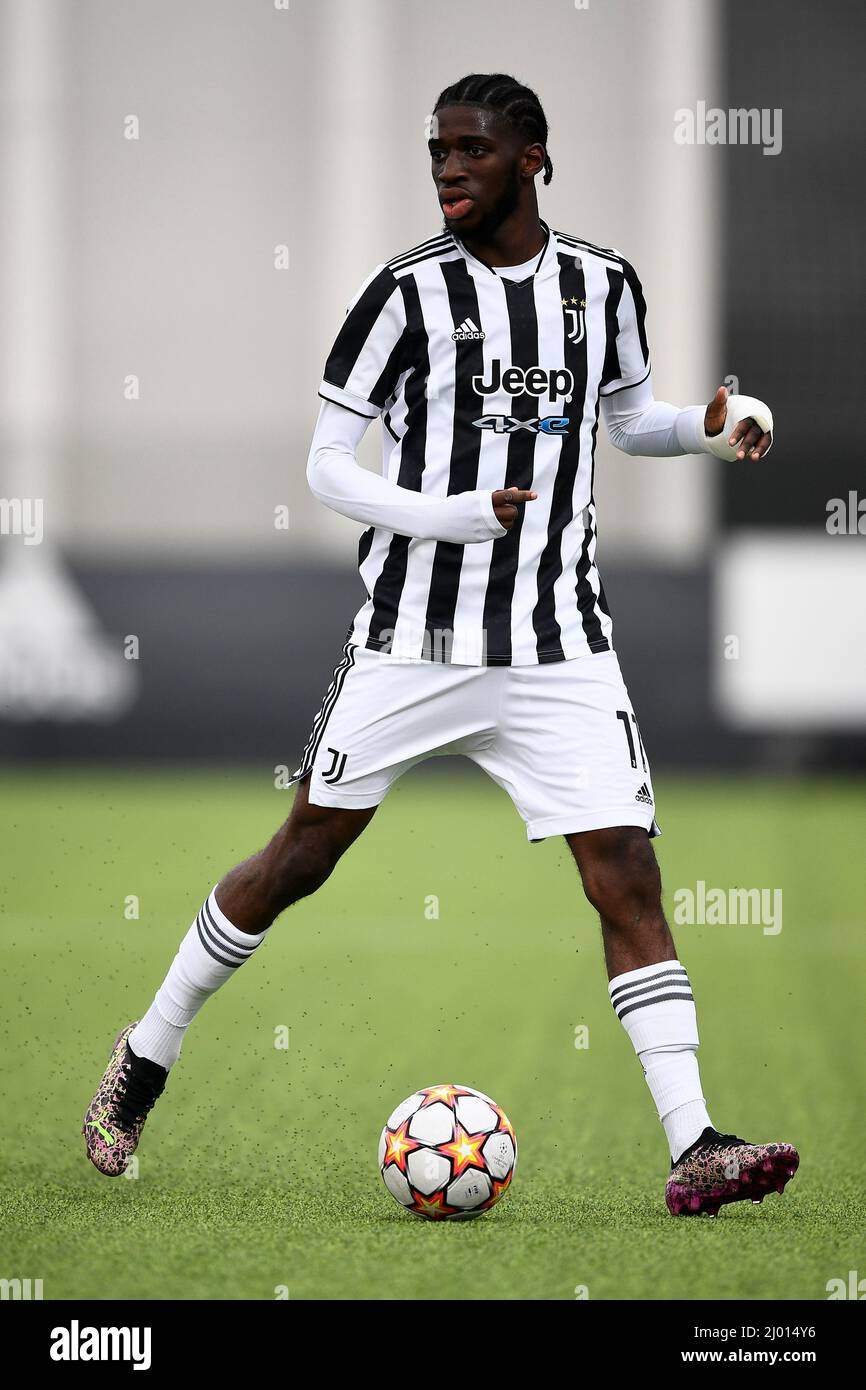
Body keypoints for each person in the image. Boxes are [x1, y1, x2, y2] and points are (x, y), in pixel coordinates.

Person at [84, 73, 797, 1217]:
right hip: (415, 637)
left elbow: (627, 420)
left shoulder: (601, 283)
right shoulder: (402, 295)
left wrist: (705, 431)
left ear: (532, 157)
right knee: (299, 856)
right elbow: (325, 465)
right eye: (436, 152)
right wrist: (453, 513)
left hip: (560, 641)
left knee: (625, 876)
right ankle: (145, 1058)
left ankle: (694, 1143)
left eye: (470, 149)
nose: (448, 169)